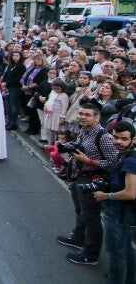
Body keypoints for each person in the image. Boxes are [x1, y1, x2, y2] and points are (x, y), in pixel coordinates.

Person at [57, 102, 119, 265]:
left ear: (97, 117)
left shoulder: (103, 136)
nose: (82, 117)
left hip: (92, 179)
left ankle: (90, 255)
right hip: (79, 176)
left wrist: (89, 161)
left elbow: (113, 163)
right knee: (81, 211)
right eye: (81, 114)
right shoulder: (84, 131)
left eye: (87, 115)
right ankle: (78, 238)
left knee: (91, 217)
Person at [92, 121, 136, 284]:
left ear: (133, 139)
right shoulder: (124, 155)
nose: (118, 142)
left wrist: (105, 196)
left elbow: (130, 193)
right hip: (122, 213)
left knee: (116, 252)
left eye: (123, 139)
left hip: (119, 213)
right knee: (126, 249)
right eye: (115, 137)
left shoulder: (131, 160)